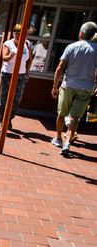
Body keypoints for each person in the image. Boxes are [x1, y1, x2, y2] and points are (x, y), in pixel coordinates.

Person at [51, 21, 97, 156]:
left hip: (68, 85)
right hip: (86, 87)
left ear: (81, 33)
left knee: (61, 113)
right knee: (75, 117)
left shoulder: (72, 47)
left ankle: (58, 138)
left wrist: (55, 86)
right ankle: (68, 142)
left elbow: (60, 67)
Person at [0, 24, 32, 129]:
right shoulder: (8, 44)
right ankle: (1, 120)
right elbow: (5, 58)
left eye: (20, 33)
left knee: (17, 99)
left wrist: (27, 71)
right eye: (16, 33)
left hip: (21, 75)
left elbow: (30, 58)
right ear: (13, 33)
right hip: (8, 74)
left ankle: (9, 119)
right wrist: (11, 55)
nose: (18, 35)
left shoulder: (27, 43)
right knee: (4, 98)